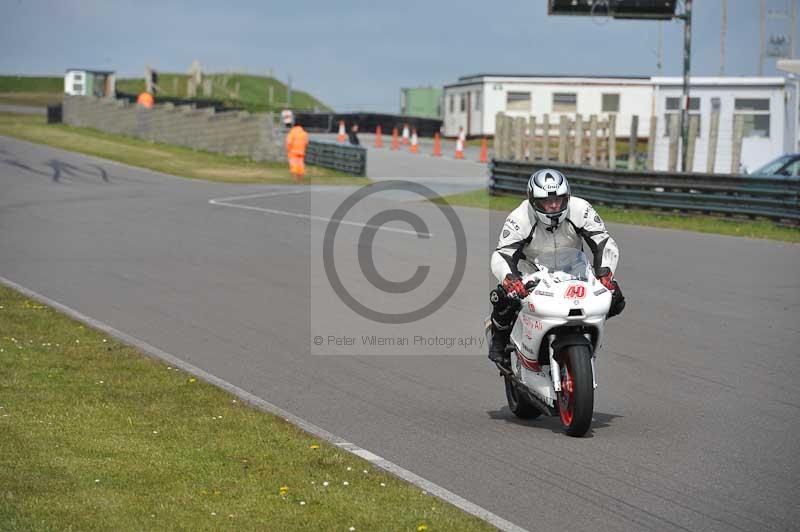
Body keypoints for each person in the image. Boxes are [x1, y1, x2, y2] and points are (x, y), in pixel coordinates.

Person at [488, 168, 626, 365]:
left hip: (574, 270)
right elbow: (502, 254)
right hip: (533, 273)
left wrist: (605, 273)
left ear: (567, 197)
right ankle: (499, 343)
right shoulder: (519, 218)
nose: (553, 205)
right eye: (546, 201)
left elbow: (603, 242)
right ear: (533, 201)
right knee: (503, 298)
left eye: (559, 199)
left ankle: (586, 334)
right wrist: (510, 279)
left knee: (615, 298)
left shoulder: (581, 209)